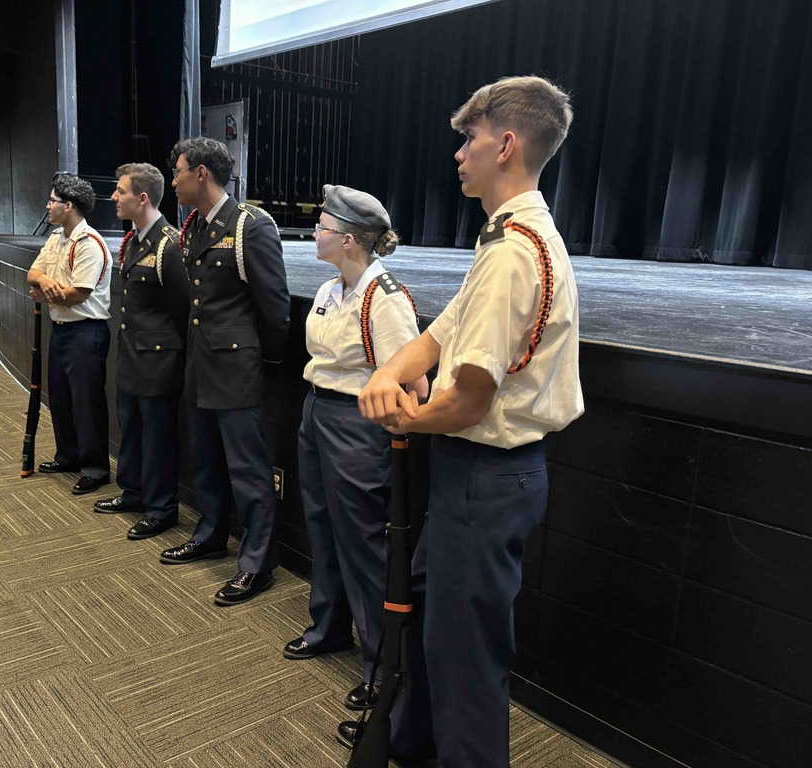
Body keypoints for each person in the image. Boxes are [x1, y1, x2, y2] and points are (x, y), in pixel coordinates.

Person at [348, 76, 584, 767]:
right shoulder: (506, 239)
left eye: (469, 139)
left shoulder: (514, 253)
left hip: (486, 474)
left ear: (505, 144)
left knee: (464, 664)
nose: (459, 154)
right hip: (475, 477)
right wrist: (392, 371)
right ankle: (413, 746)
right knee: (435, 636)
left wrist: (399, 411)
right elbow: (444, 333)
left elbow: (469, 402)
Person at [283, 184, 429, 714]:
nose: (314, 232)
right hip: (317, 412)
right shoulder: (329, 289)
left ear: (347, 239)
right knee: (322, 527)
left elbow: (416, 387)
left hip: (358, 425)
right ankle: (327, 628)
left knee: (365, 546)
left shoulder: (384, 298)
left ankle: (380, 667)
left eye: (321, 226)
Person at [160, 137, 291, 606]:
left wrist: (265, 362)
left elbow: (274, 309)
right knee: (206, 459)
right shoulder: (194, 226)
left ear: (200, 174)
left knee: (248, 471)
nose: (171, 181)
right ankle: (212, 533)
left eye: (176, 172)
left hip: (237, 368)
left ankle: (258, 563)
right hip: (202, 365)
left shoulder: (250, 226)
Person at [92, 163, 190, 540]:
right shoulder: (134, 239)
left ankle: (162, 508)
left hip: (159, 360)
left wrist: (170, 358)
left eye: (120, 191)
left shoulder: (169, 244)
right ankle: (133, 492)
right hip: (133, 355)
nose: (114, 197)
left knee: (158, 438)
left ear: (143, 197)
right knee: (131, 429)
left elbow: (183, 310)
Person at [27, 173, 113, 495]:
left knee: (86, 402)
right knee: (61, 397)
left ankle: (95, 469)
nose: (47, 206)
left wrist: (44, 290)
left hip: (86, 332)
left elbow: (78, 293)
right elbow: (32, 273)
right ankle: (68, 455)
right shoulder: (57, 238)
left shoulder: (89, 243)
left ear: (69, 206)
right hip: (61, 329)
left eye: (52, 201)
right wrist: (43, 282)